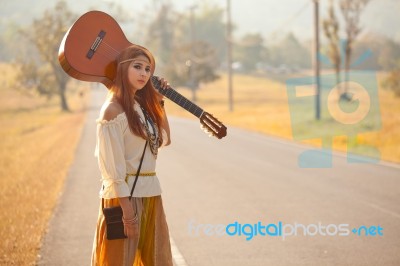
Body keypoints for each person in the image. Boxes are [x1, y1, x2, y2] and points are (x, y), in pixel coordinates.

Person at [91, 45, 173, 265]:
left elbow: (164, 139)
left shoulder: (141, 106)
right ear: (122, 69)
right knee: (119, 260)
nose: (144, 74)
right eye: (137, 67)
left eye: (147, 69)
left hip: (151, 195)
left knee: (158, 260)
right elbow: (112, 171)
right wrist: (128, 213)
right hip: (123, 200)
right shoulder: (112, 111)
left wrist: (159, 101)